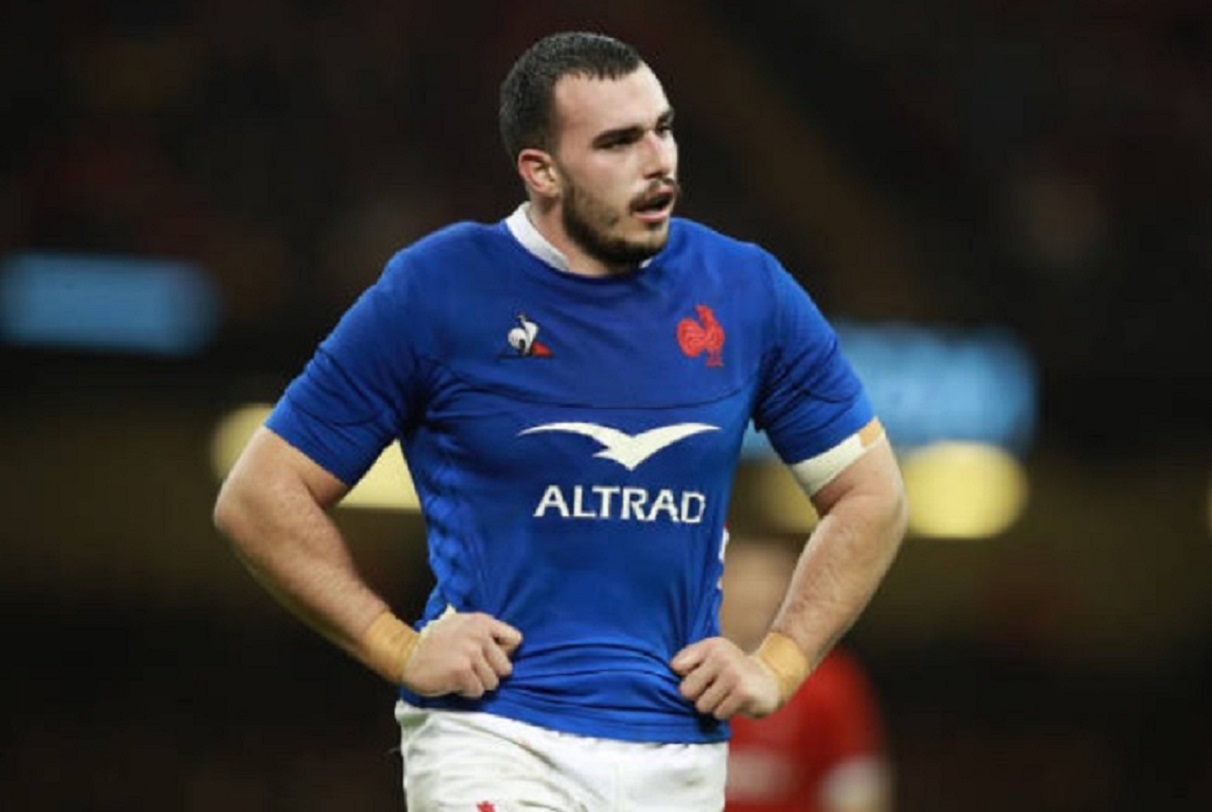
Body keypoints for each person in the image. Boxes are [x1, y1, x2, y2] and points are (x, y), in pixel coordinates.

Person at [213, 30, 907, 811]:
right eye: (618, 142)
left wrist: (779, 663)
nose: (658, 161)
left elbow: (871, 495)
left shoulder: (747, 291)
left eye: (663, 128)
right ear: (540, 170)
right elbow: (261, 494)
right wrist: (396, 646)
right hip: (494, 737)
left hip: (678, 751)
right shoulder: (438, 289)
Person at [721, 535, 893, 812]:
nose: (757, 592)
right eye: (741, 576)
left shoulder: (827, 680)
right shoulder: (673, 669)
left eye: (772, 576)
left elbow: (855, 786)